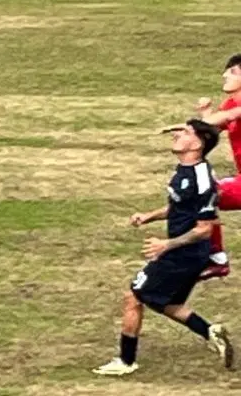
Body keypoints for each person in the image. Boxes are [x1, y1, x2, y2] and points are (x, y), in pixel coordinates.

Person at [93, 119, 234, 376]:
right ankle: (210, 331)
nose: (177, 135)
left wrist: (166, 245)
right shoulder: (185, 170)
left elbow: (205, 228)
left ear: (199, 144)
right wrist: (149, 216)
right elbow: (179, 208)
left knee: (134, 296)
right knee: (165, 303)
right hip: (184, 253)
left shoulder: (201, 180)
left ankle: (126, 361)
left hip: (184, 254)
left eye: (185, 132)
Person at [189, 52, 241, 280]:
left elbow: (230, 116)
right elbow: (211, 131)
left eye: (233, 72)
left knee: (206, 192)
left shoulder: (234, 107)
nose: (225, 75)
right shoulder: (231, 102)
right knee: (204, 192)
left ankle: (215, 258)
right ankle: (215, 257)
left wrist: (199, 122)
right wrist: (205, 116)